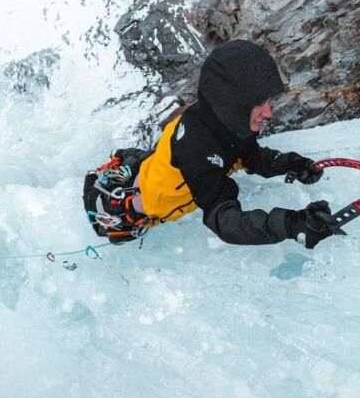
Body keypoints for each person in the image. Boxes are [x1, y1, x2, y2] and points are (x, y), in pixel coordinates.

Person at [84, 39, 335, 248]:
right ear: (233, 103)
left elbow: (252, 157)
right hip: (127, 206)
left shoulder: (225, 121)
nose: (268, 112)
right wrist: (291, 225)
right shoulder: (199, 148)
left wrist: (292, 163)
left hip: (155, 167)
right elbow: (227, 223)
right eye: (260, 103)